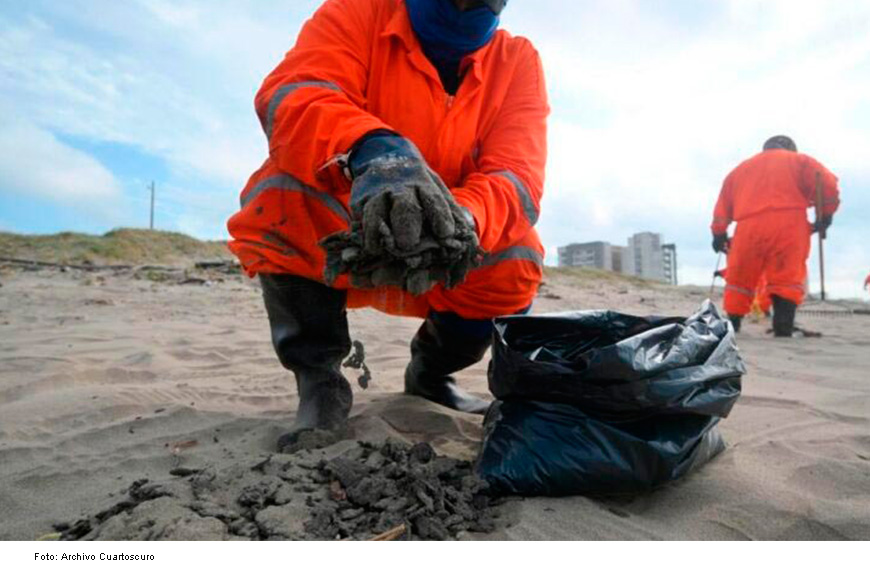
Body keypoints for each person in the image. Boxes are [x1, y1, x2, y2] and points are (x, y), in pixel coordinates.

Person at [226, 0, 548, 449]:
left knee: (516, 256)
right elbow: (296, 92)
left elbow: (517, 174)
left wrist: (462, 218)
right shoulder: (357, 12)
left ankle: (431, 375)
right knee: (281, 195)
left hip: (445, 241)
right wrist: (372, 148)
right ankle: (320, 384)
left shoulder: (517, 61)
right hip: (350, 223)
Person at [710, 135, 839, 336]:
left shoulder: (740, 170)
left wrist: (718, 234)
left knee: (739, 278)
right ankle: (783, 327)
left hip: (748, 226)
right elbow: (826, 182)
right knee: (786, 278)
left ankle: (732, 325)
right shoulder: (800, 161)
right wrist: (825, 215)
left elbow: (723, 203)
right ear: (790, 148)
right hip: (789, 223)